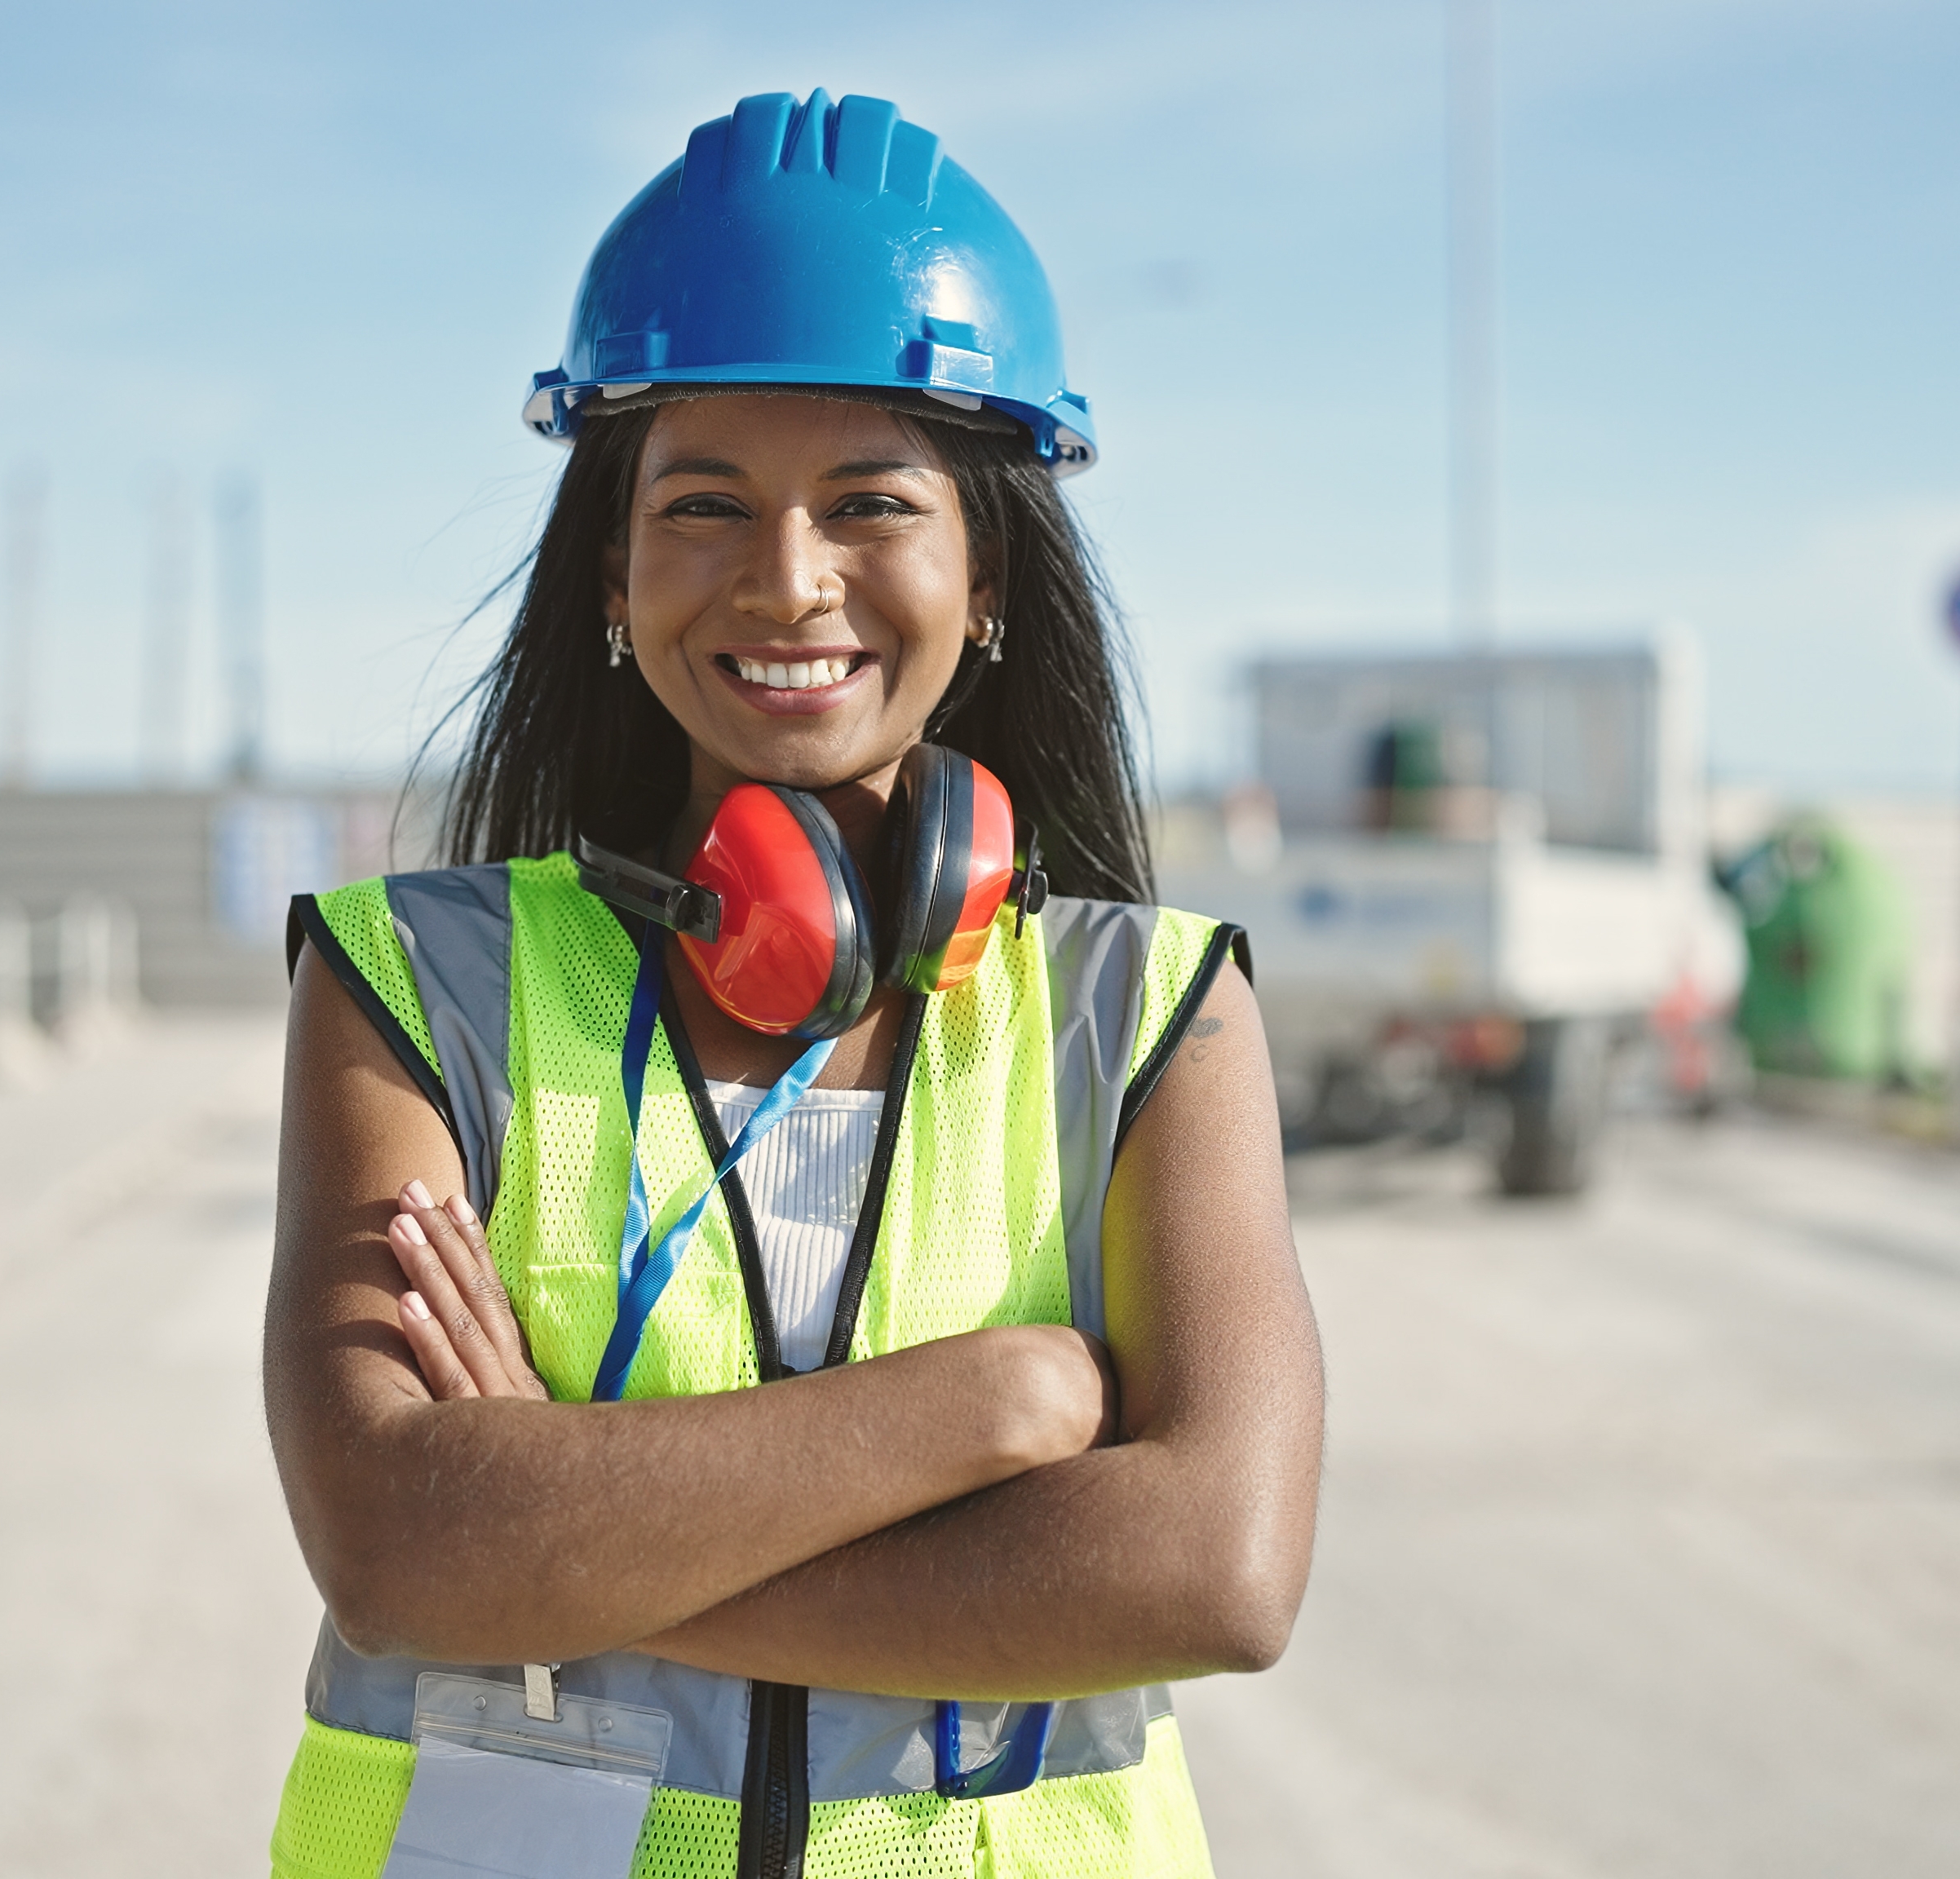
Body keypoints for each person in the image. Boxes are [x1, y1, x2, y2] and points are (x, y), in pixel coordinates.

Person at [263, 89, 1323, 1879]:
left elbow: (1212, 1571)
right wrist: (989, 1411)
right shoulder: (410, 982)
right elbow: (398, 1556)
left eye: (870, 503)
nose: (785, 579)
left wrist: (571, 1519)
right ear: (609, 571)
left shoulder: (1146, 1012)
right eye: (702, 506)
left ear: (984, 572)